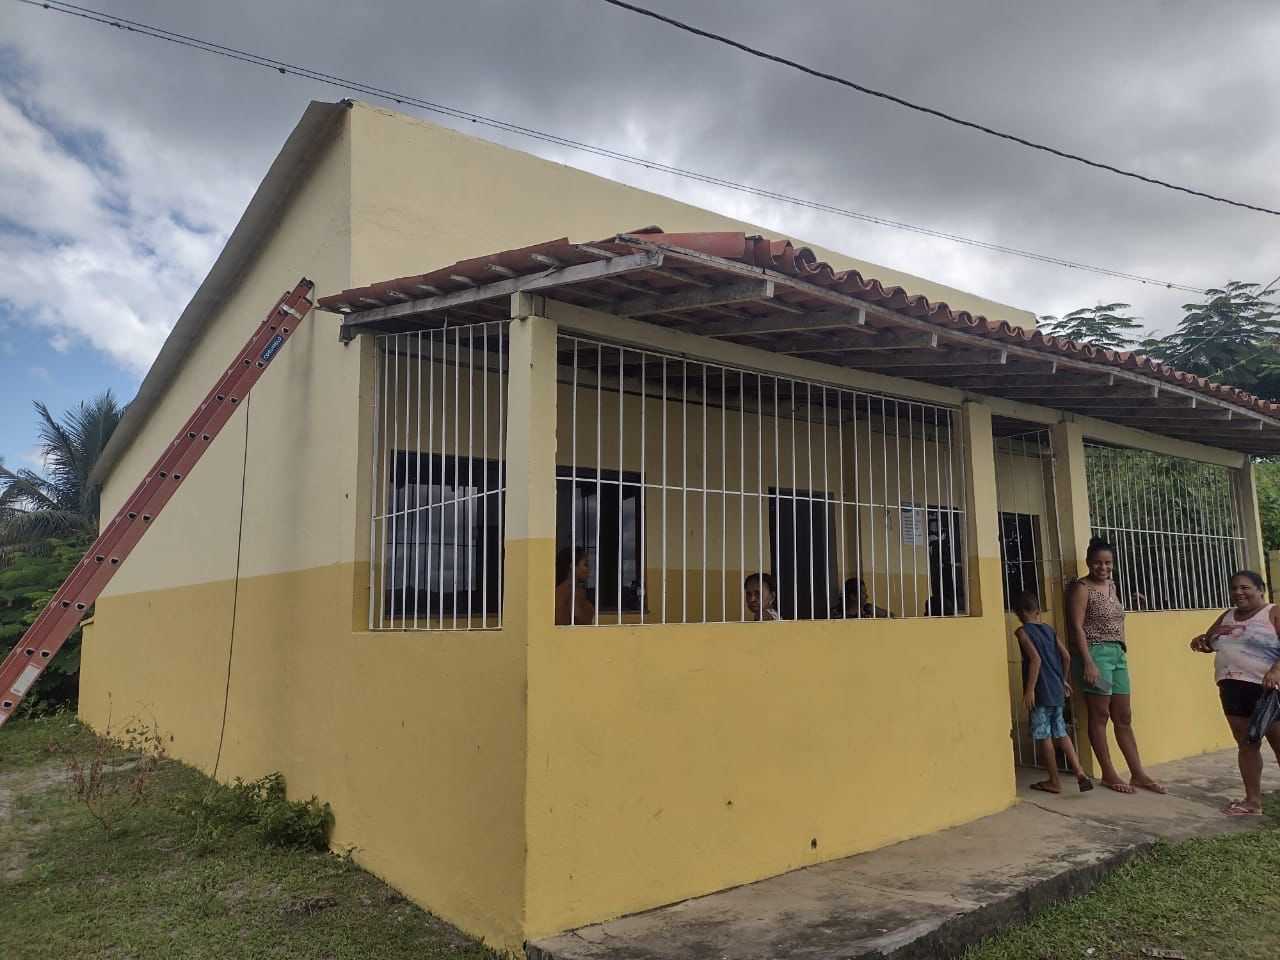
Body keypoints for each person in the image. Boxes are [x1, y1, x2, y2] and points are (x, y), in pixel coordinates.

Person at [1065, 537, 1165, 795]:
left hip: (1118, 654)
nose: (1103, 567)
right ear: (1088, 563)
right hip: (1096, 655)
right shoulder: (1082, 588)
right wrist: (1087, 661)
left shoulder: (1112, 586)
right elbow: (1076, 627)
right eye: (1098, 563)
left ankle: (1138, 773)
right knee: (1100, 715)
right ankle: (1108, 773)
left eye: (1108, 563)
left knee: (1124, 716)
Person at [1189, 570, 1280, 816]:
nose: (1238, 593)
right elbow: (1212, 640)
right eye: (1234, 588)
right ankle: (1252, 802)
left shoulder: (1272, 613)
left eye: (1245, 588)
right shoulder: (1228, 616)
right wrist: (1202, 642)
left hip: (1268, 691)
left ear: (1260, 589)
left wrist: (1276, 670)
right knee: (1247, 744)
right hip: (1232, 689)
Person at [1013, 590, 1093, 794]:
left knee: (1044, 735)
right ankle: (1080, 772)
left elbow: (1035, 660)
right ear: (1038, 611)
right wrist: (1063, 680)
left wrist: (1029, 690)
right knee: (1060, 731)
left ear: (1018, 613)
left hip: (1041, 691)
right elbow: (1066, 656)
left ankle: (1054, 781)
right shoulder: (1049, 630)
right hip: (1057, 689)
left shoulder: (1022, 632)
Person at [554, 546, 595, 626]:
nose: (589, 570)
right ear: (572, 566)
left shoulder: (559, 588)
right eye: (585, 565)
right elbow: (579, 617)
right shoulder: (573, 590)